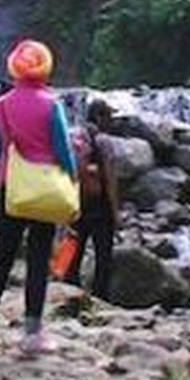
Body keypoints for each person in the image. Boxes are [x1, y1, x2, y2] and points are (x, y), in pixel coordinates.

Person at [0, 39, 78, 357]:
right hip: (44, 189)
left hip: (11, 185)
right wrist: (72, 179)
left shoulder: (2, 105)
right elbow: (63, 150)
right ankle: (32, 334)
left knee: (2, 255)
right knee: (39, 259)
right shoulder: (51, 104)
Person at [66, 99, 121, 302]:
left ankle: (67, 286)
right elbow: (110, 178)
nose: (111, 121)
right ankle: (100, 296)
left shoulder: (75, 137)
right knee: (103, 253)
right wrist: (115, 212)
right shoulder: (103, 141)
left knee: (74, 246)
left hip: (76, 200)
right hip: (99, 205)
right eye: (108, 116)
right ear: (98, 117)